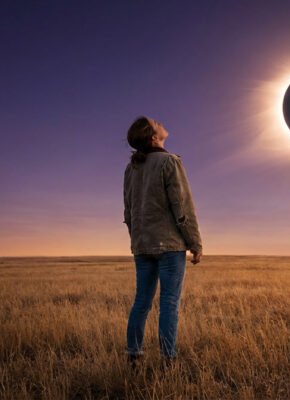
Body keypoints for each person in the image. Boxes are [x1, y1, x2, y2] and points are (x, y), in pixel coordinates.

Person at [123, 116, 203, 370]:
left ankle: (133, 356)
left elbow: (128, 211)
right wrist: (195, 242)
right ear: (153, 137)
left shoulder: (131, 168)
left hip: (142, 245)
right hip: (169, 245)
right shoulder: (169, 162)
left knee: (141, 302)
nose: (160, 122)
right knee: (169, 302)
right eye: (155, 123)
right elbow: (183, 207)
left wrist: (137, 239)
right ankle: (168, 360)